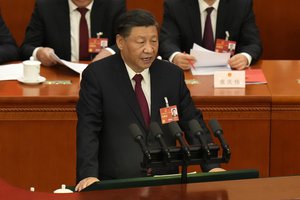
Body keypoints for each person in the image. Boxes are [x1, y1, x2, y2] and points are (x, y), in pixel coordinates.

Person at [75, 9, 223, 192]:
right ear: (120, 42)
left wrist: (212, 166)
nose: (149, 49)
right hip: (118, 185)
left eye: (154, 41)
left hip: (166, 185)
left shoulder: (171, 75)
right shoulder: (98, 76)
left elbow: (193, 122)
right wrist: (88, 174)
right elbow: (88, 129)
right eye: (140, 42)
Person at [159, 0, 262, 70]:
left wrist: (244, 57)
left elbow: (252, 43)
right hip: (188, 73)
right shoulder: (175, 5)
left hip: (229, 74)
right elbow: (167, 41)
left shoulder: (240, 4)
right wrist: (176, 56)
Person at [20, 0, 126, 66]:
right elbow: (26, 48)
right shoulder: (46, 6)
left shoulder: (113, 5)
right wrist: (39, 52)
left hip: (102, 75)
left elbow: (126, 43)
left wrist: (110, 51)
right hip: (61, 77)